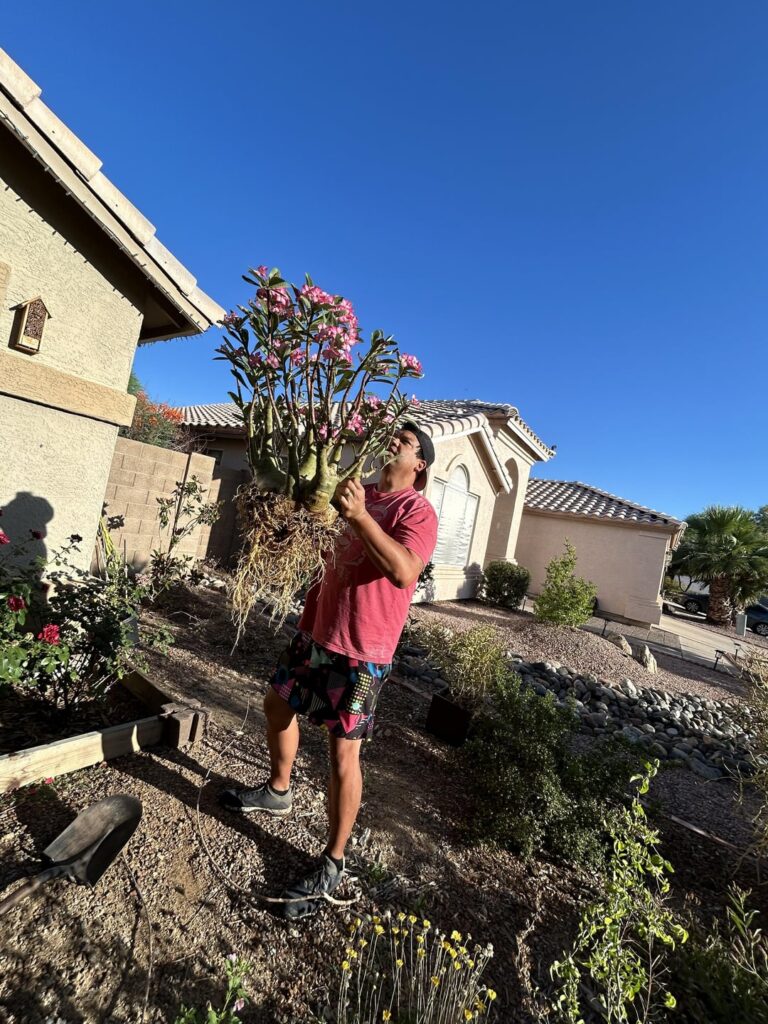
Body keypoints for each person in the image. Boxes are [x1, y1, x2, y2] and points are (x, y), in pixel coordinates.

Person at [220, 421, 438, 919]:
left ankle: (333, 862)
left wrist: (358, 517)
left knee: (343, 753)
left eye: (404, 442)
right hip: (316, 631)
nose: (392, 442)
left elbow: (404, 570)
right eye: (392, 435)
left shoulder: (415, 510)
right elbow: (322, 548)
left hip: (363, 650)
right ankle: (278, 791)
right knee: (277, 705)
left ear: (419, 464)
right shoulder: (357, 493)